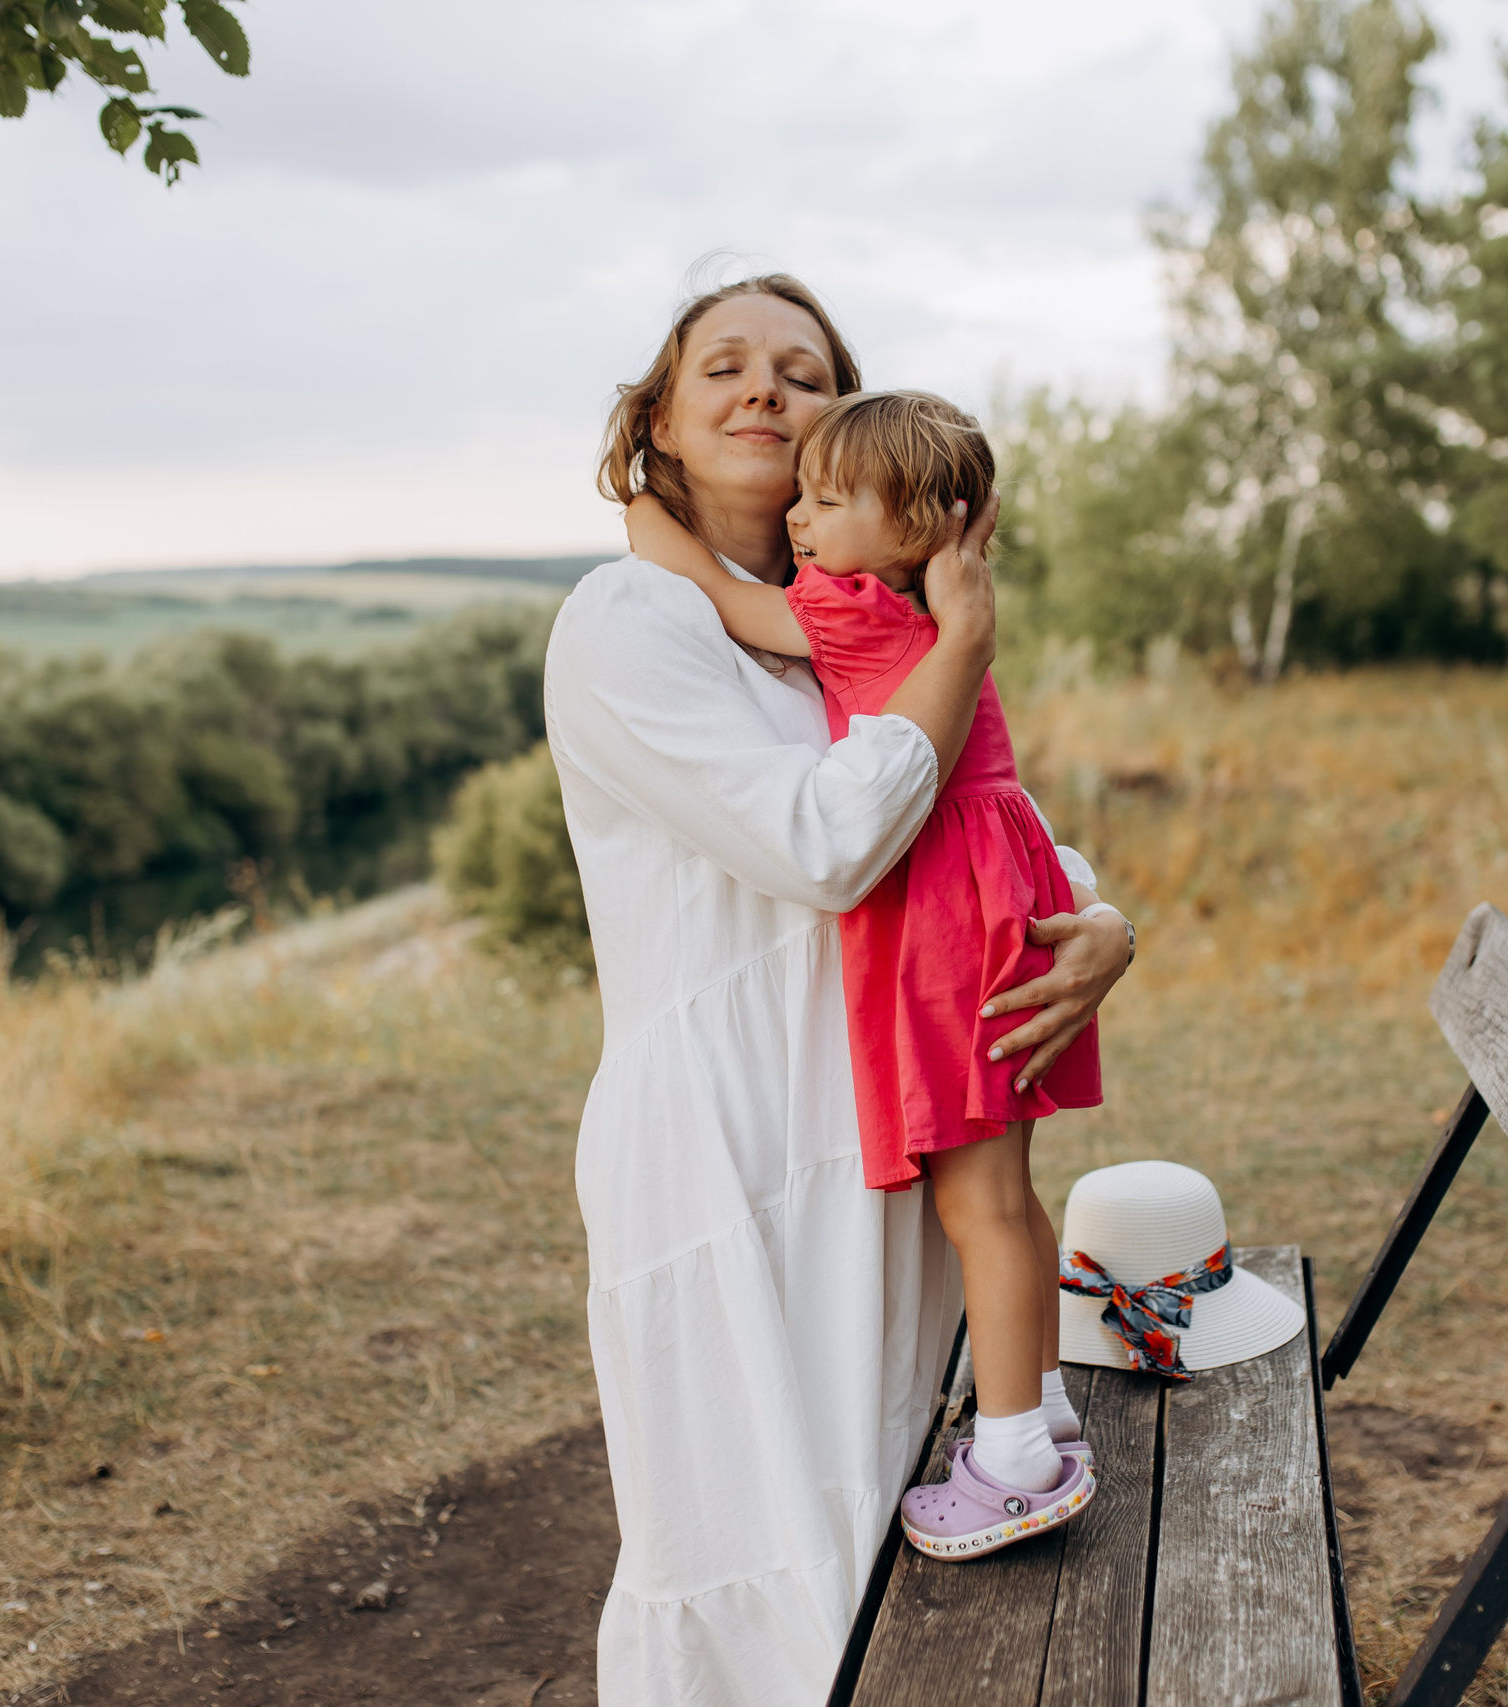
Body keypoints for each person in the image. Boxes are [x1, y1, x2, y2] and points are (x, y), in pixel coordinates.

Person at [543, 275, 1132, 1702]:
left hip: (877, 1126)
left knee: (881, 1529)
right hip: (723, 1145)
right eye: (724, 368)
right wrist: (968, 645)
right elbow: (826, 837)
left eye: (801, 373)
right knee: (760, 1555)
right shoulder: (629, 623)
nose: (764, 390)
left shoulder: (854, 624)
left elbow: (975, 818)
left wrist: (1099, 911)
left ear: (844, 433)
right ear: (663, 425)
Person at [622, 389, 1105, 1561]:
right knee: (1010, 1188)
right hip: (1001, 882)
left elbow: (723, 601)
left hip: (946, 912)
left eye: (832, 501)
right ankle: (1035, 1401)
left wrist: (643, 499)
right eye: (805, 494)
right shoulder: (934, 611)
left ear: (926, 523)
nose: (801, 518)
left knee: (972, 1201)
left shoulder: (855, 616)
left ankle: (1014, 1462)